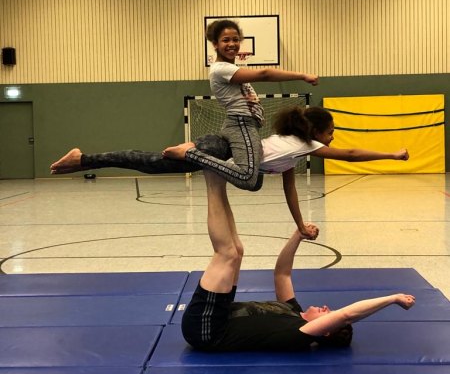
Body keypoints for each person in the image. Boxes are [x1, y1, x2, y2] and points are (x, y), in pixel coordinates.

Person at [49, 106, 409, 239]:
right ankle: (84, 158)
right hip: (218, 147)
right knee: (155, 163)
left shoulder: (293, 150)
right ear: (315, 132)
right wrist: (391, 155)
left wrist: (300, 225)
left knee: (154, 164)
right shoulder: (306, 145)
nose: (332, 138)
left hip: (222, 150)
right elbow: (351, 154)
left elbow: (290, 190)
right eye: (330, 131)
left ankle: (85, 160)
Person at [181, 170, 416, 352]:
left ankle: (212, 177)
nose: (327, 308)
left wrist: (392, 298)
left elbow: (347, 315)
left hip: (207, 330)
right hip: (219, 314)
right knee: (238, 251)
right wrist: (298, 235)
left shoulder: (299, 333)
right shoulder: (293, 310)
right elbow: (281, 273)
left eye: (328, 315)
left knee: (227, 255)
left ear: (325, 330)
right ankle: (219, 179)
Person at [162, 19, 319, 191]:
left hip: (248, 125)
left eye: (235, 39)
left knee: (255, 182)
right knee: (247, 178)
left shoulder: (231, 69)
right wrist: (302, 75)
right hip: (240, 123)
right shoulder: (221, 69)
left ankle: (206, 156)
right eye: (226, 40)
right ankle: (190, 153)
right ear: (215, 44)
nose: (232, 44)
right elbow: (265, 74)